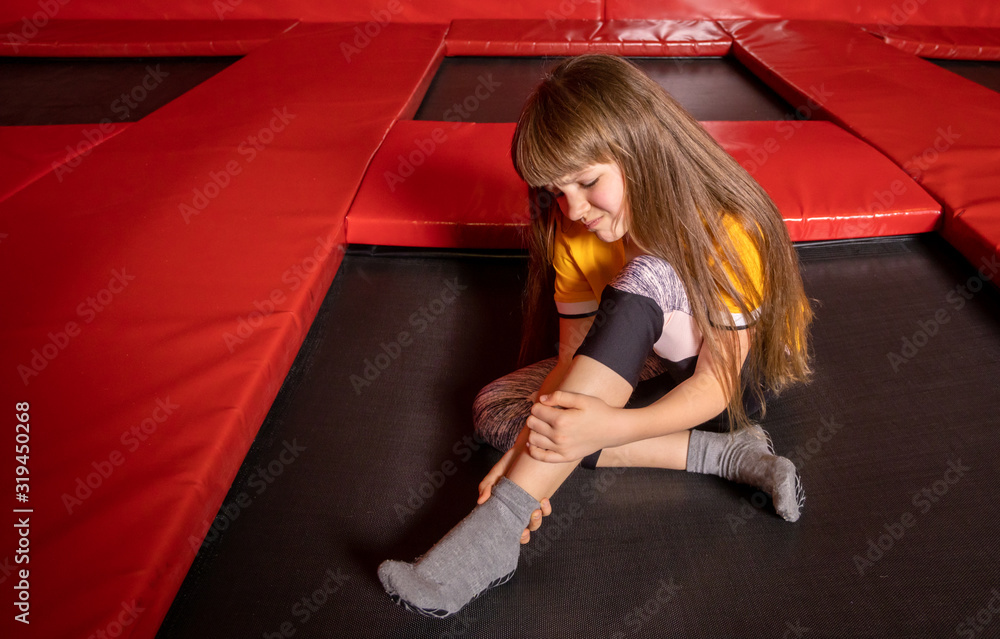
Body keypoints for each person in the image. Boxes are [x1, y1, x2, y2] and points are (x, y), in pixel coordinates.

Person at [378, 53, 813, 618]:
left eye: (587, 181)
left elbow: (718, 385)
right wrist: (518, 459)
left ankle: (494, 532)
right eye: (558, 191)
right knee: (499, 411)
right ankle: (725, 457)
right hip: (655, 365)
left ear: (641, 149)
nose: (574, 207)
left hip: (733, 388)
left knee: (649, 274)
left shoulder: (726, 229)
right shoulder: (574, 227)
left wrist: (606, 429)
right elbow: (572, 358)